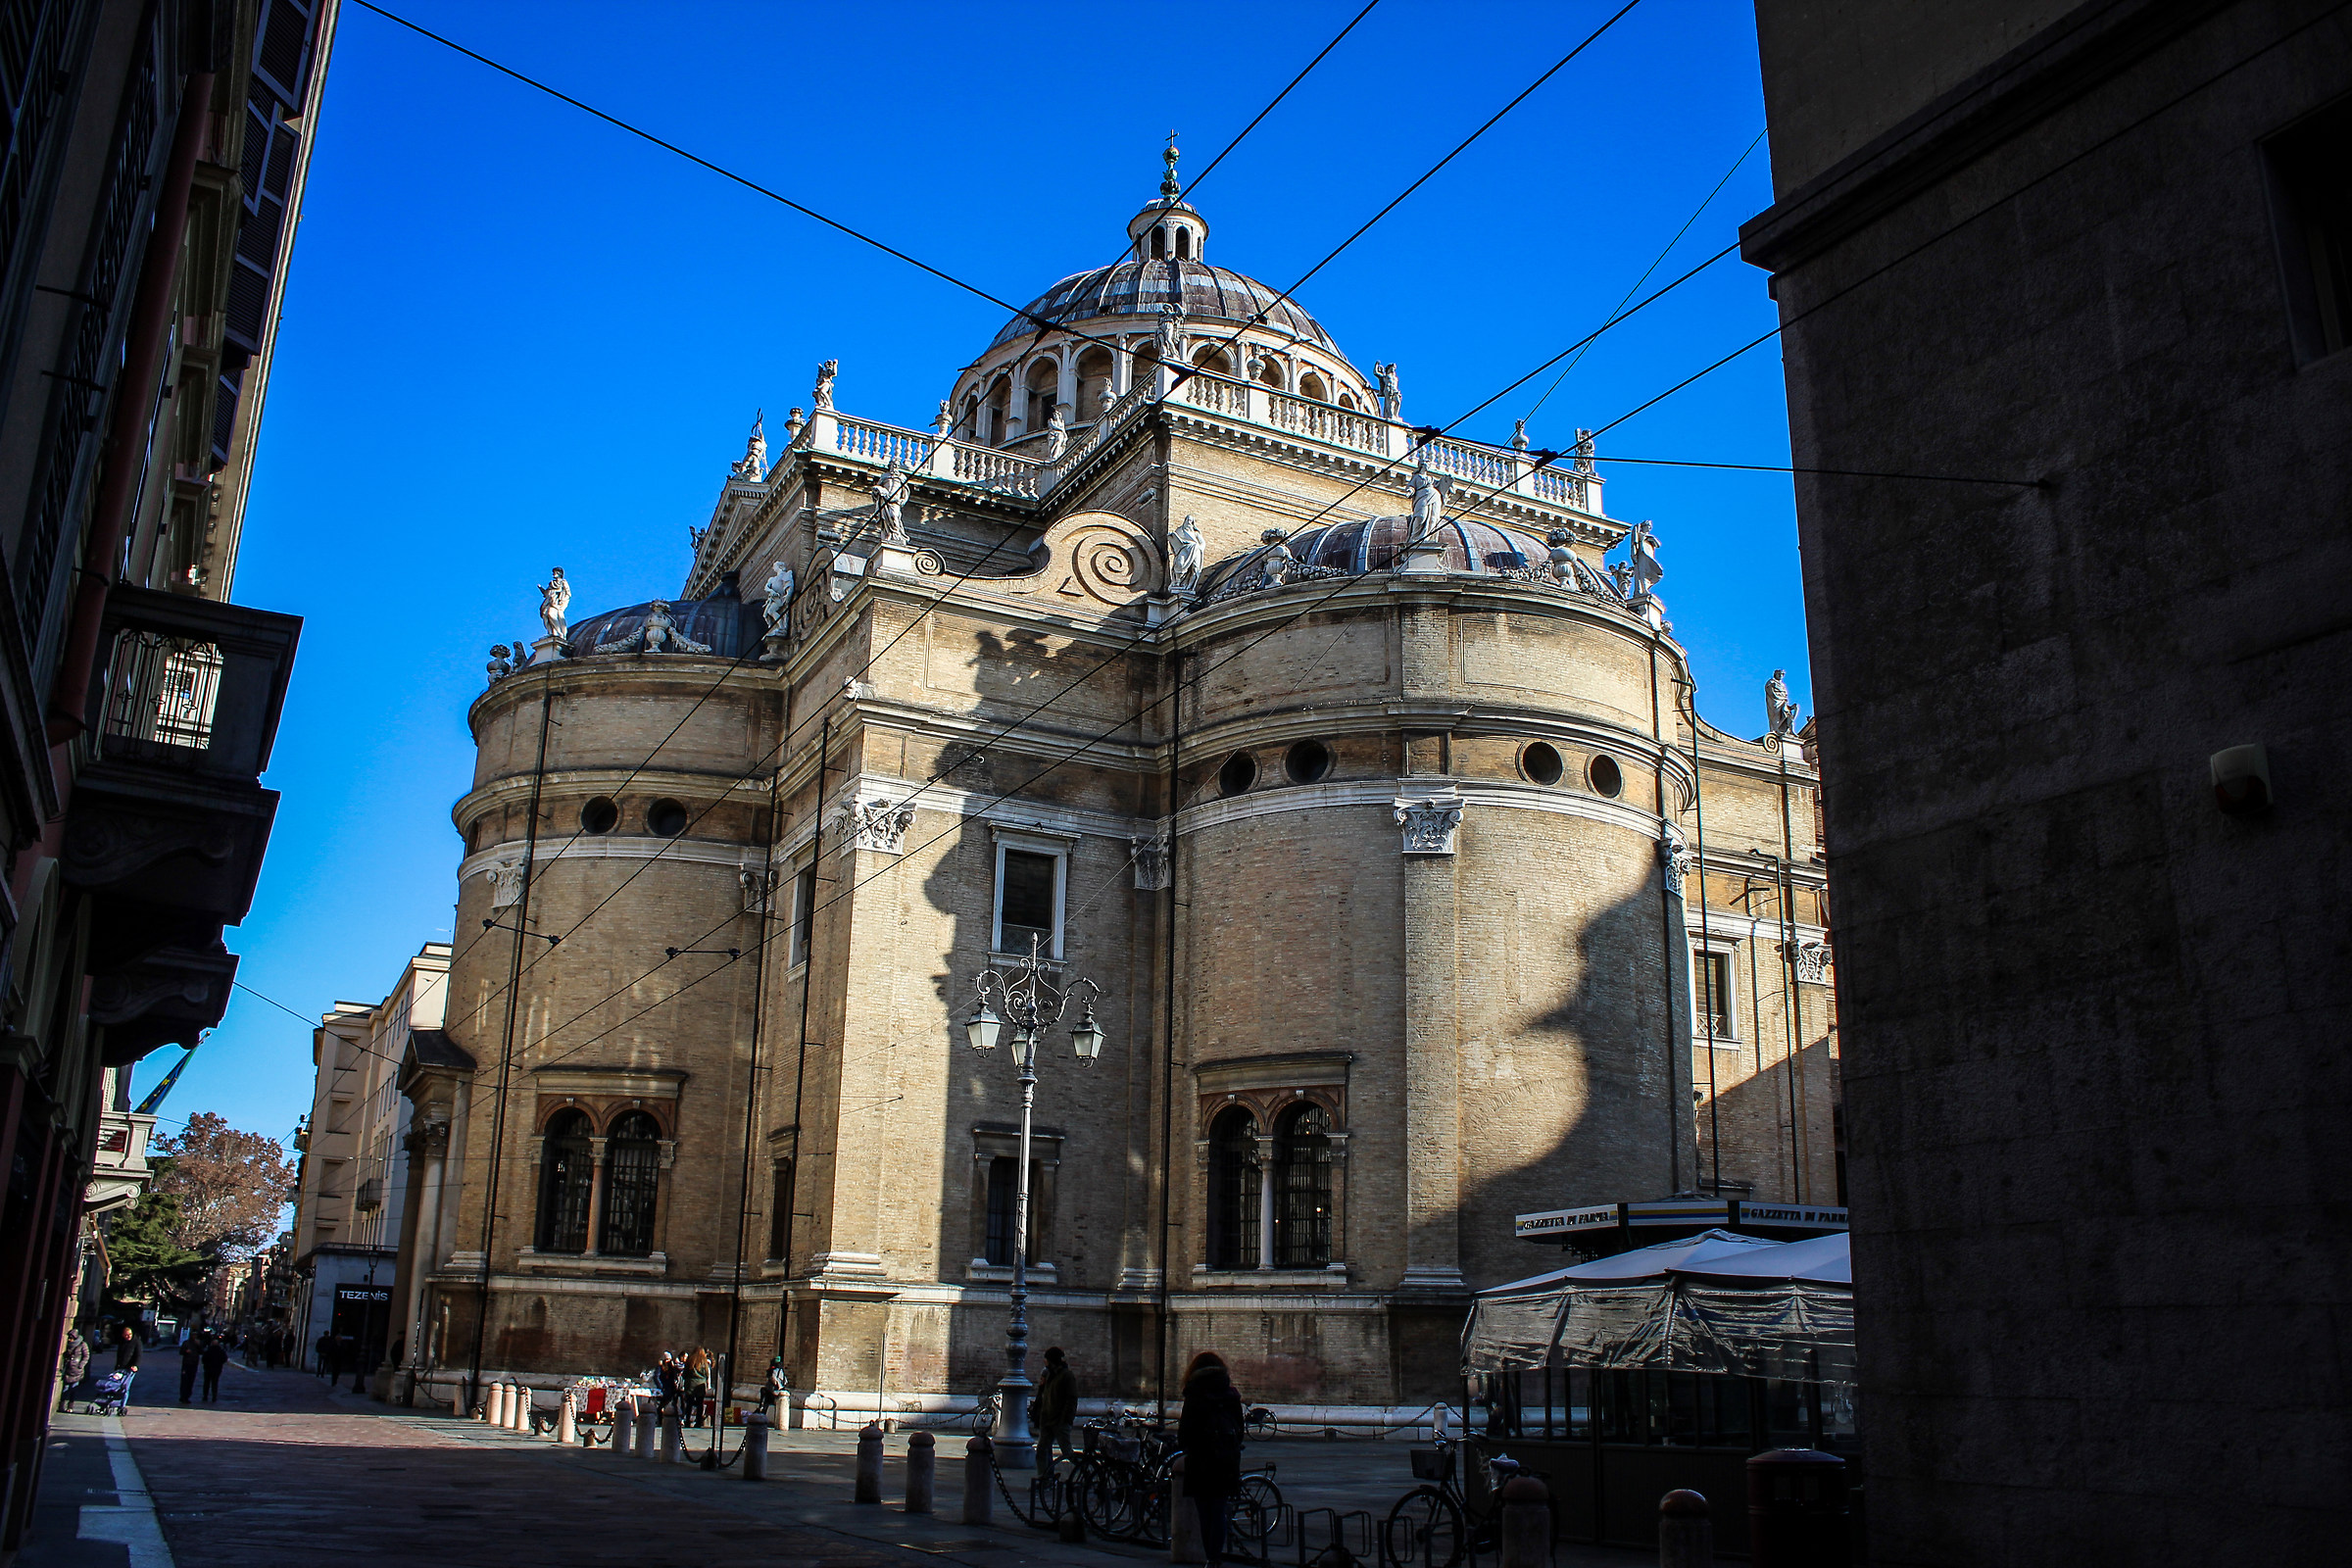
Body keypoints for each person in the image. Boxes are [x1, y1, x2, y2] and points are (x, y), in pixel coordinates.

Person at [1177, 1350, 1247, 1568]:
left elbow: (1184, 1434)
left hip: (1200, 1462)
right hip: (1225, 1462)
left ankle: (1210, 1557)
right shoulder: (1231, 1395)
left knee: (1205, 1513)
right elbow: (1239, 1430)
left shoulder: (1194, 1394)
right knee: (1218, 1512)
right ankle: (1214, 1558)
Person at [1035, 1347, 1078, 1467]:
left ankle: (1083, 1469)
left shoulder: (1066, 1376)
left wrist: (1066, 1419)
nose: (1045, 1363)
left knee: (1067, 1451)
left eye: (1047, 1360)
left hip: (1060, 1421)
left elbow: (1072, 1398)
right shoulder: (1050, 1375)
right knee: (1042, 1451)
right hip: (1048, 1420)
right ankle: (1044, 1479)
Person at [58, 1330, 90, 1411]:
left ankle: (70, 1407)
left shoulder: (82, 1345)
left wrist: (81, 1365)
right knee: (65, 1388)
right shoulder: (68, 1345)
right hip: (68, 1369)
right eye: (69, 1338)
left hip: (77, 1371)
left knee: (73, 1389)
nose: (69, 1340)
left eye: (71, 1338)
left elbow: (86, 1356)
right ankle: (61, 1406)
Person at [111, 1325, 140, 1410]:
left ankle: (122, 1405)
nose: (129, 1336)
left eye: (130, 1334)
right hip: (120, 1367)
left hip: (130, 1368)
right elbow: (119, 1355)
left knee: (125, 1387)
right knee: (115, 1385)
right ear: (123, 1335)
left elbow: (138, 1355)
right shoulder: (122, 1342)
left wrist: (136, 1365)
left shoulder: (136, 1342)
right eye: (127, 1335)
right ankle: (113, 1402)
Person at [683, 1348, 711, 1427]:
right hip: (701, 1384)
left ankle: (687, 1421)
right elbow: (707, 1373)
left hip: (690, 1383)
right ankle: (698, 1422)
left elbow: (685, 1373)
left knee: (689, 1403)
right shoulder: (704, 1362)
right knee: (700, 1403)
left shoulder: (690, 1361)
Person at [200, 1333, 227, 1402]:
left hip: (208, 1369)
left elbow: (204, 1359)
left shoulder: (208, 1351)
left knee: (207, 1383)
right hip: (217, 1369)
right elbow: (224, 1359)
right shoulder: (221, 1351)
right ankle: (214, 1396)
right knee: (215, 1383)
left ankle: (205, 1396)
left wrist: (206, 1365)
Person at [177, 1332, 202, 1404]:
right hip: (186, 1364)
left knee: (191, 1381)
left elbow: (201, 1351)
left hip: (194, 1364)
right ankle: (183, 1396)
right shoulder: (186, 1343)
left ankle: (187, 1396)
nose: (194, 1336)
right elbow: (181, 1352)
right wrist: (186, 1351)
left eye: (196, 1335)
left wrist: (199, 1345)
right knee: (185, 1381)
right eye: (193, 1335)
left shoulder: (197, 1344)